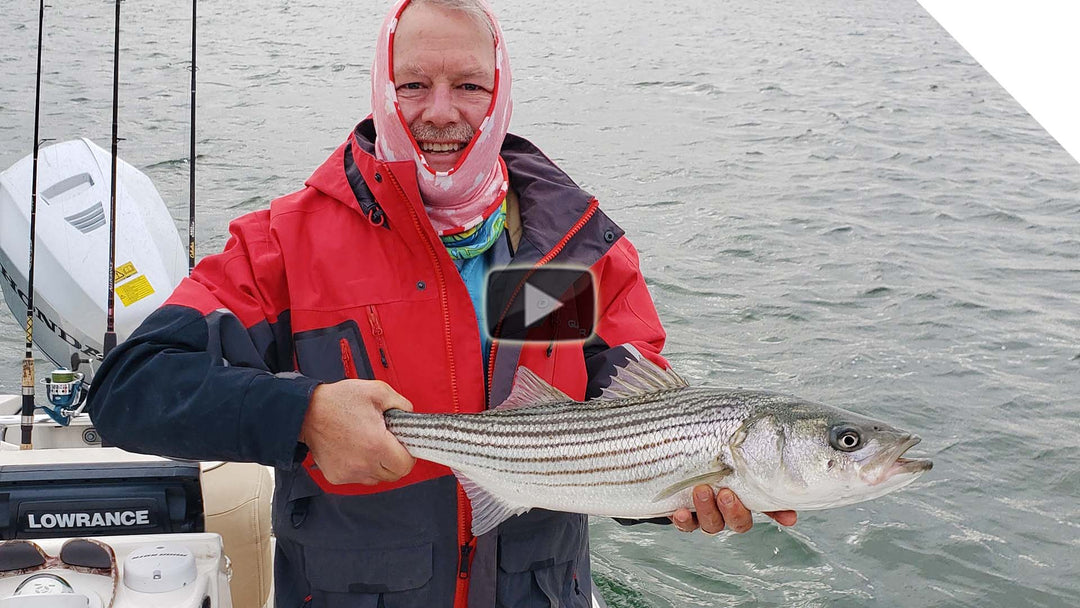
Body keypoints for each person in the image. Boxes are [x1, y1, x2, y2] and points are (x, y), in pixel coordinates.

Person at [89, 0, 795, 606]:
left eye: (469, 86)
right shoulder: (286, 243)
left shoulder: (574, 250)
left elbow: (633, 431)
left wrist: (679, 497)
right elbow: (130, 388)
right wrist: (301, 414)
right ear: (380, 88)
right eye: (414, 85)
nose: (440, 112)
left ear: (502, 91)